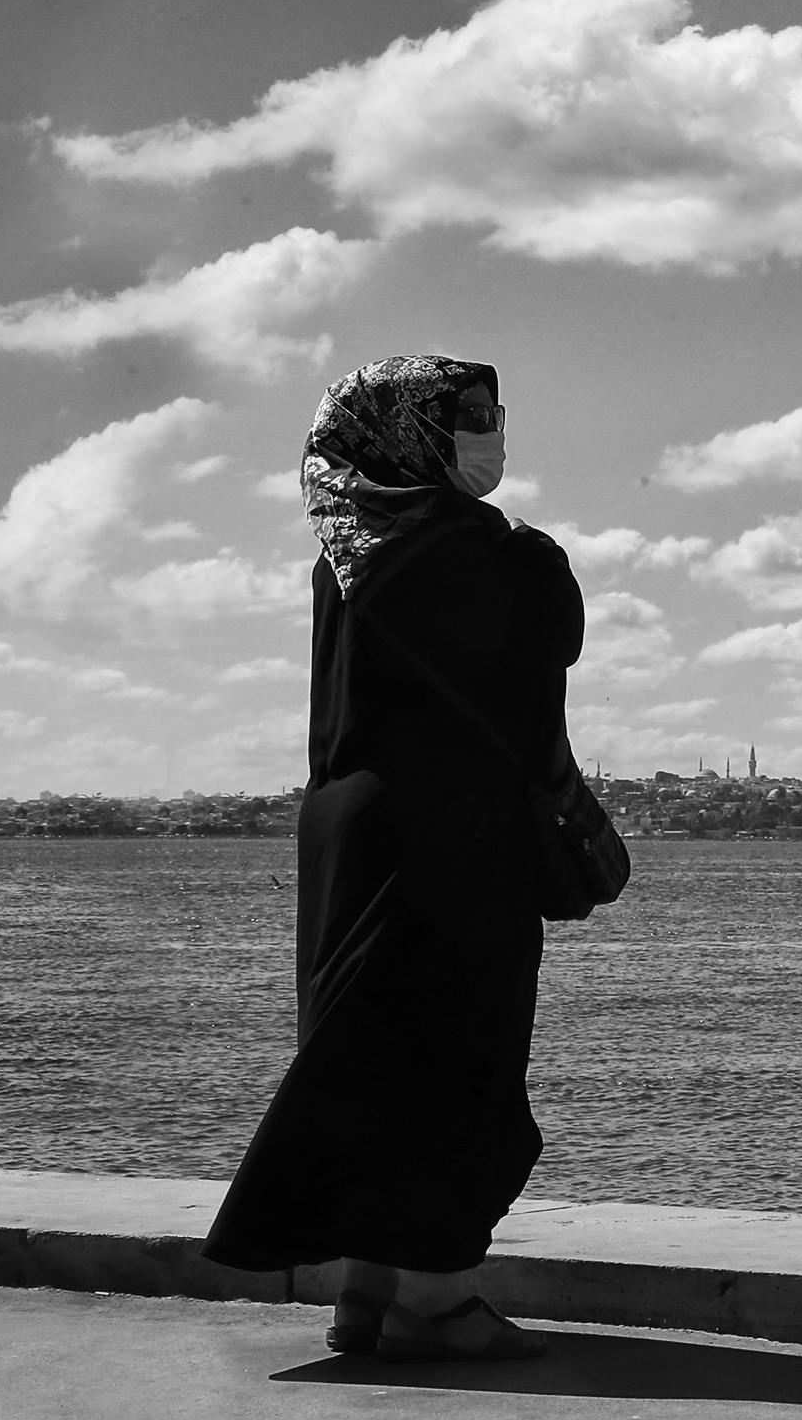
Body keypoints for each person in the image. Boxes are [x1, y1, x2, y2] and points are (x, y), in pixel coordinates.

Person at [203, 355, 584, 1362]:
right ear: (412, 432)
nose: (490, 430)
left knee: (371, 1049)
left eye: (493, 410)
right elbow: (546, 643)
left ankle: (368, 1289)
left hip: (349, 826)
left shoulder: (348, 548)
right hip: (448, 830)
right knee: (463, 1055)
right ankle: (439, 1296)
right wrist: (535, 555)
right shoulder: (465, 546)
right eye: (468, 415)